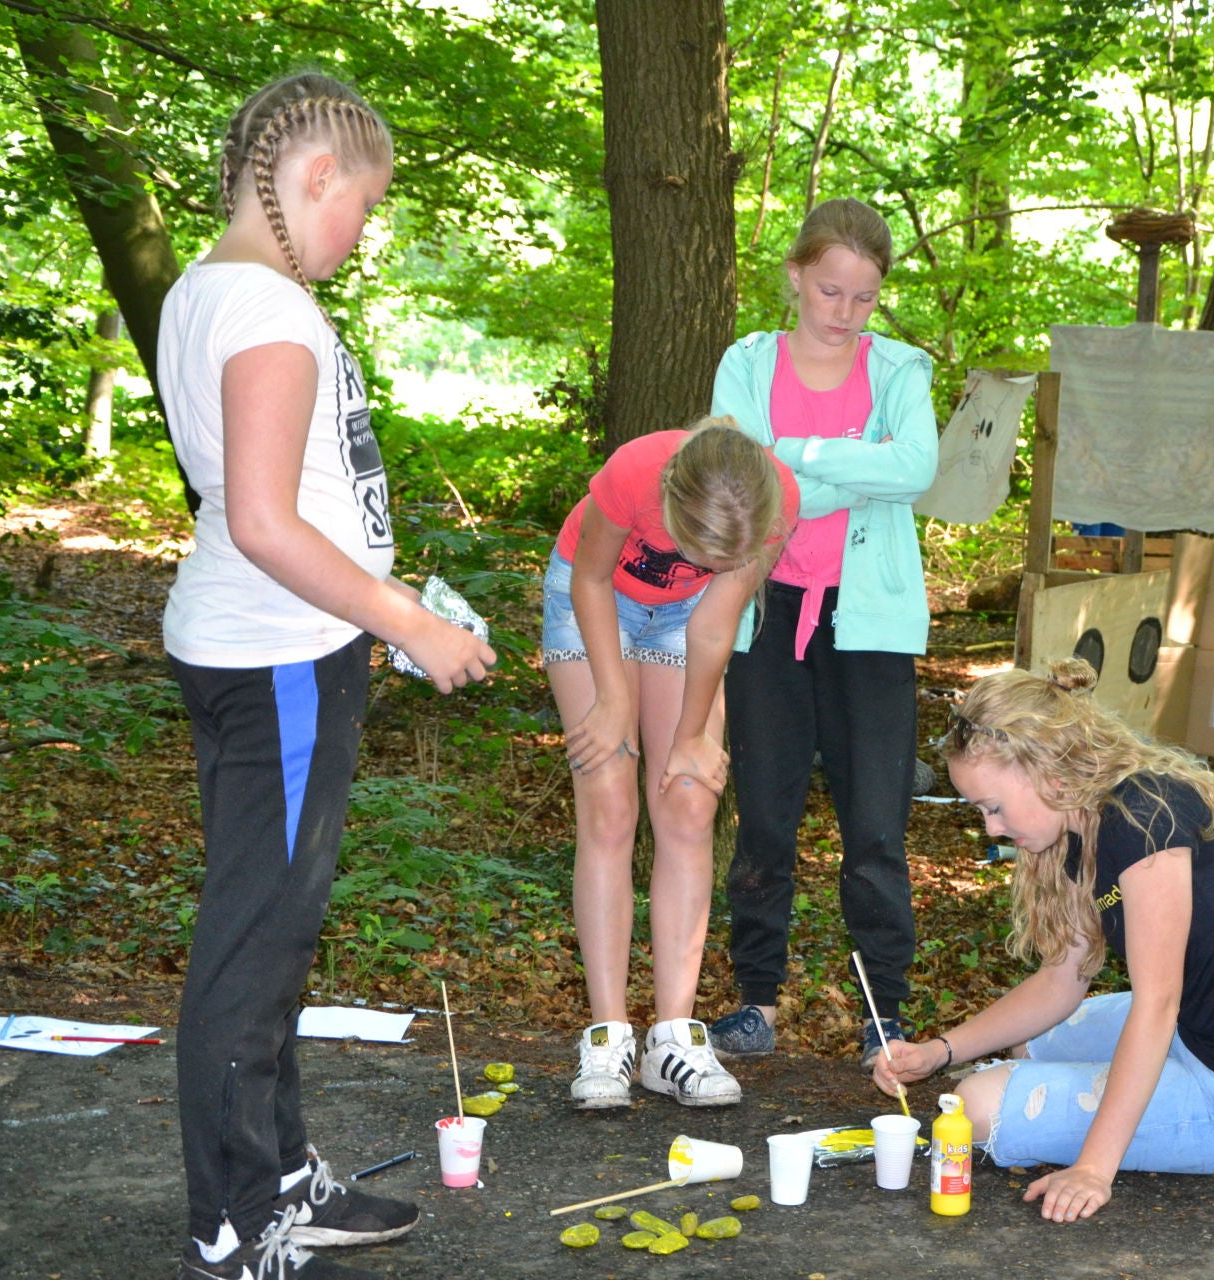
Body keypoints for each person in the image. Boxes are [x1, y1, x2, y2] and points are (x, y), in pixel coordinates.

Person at [160, 73, 495, 1280]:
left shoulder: (207, 290)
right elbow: (261, 518)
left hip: (260, 646)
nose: (363, 230)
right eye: (365, 203)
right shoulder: (266, 308)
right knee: (257, 943)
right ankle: (238, 1217)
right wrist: (408, 619)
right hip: (281, 657)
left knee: (268, 931)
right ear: (314, 178)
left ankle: (277, 1170)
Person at [872, 660, 1214, 1222]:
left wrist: (1095, 1167)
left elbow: (1158, 1001)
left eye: (992, 807)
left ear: (1045, 770)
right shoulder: (1087, 825)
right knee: (1030, 1042)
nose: (991, 828)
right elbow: (1059, 983)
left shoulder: (1144, 821)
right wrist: (940, 1051)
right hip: (1200, 1033)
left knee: (976, 1109)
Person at [705, 198, 938, 1069]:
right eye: (831, 290)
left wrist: (794, 456)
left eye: (864, 297)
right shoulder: (747, 361)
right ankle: (756, 1000)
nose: (845, 312)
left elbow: (914, 467)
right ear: (797, 275)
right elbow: (740, 470)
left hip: (868, 622)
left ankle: (885, 1013)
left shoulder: (900, 368)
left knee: (874, 827)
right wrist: (854, 466)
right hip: (766, 614)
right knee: (765, 817)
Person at [543, 418, 798, 1109]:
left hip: (690, 617)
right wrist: (612, 701)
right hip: (595, 598)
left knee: (689, 798)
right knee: (609, 799)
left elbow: (714, 624)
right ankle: (607, 1036)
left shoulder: (774, 500)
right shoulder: (635, 471)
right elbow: (590, 579)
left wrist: (690, 737)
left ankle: (673, 1040)